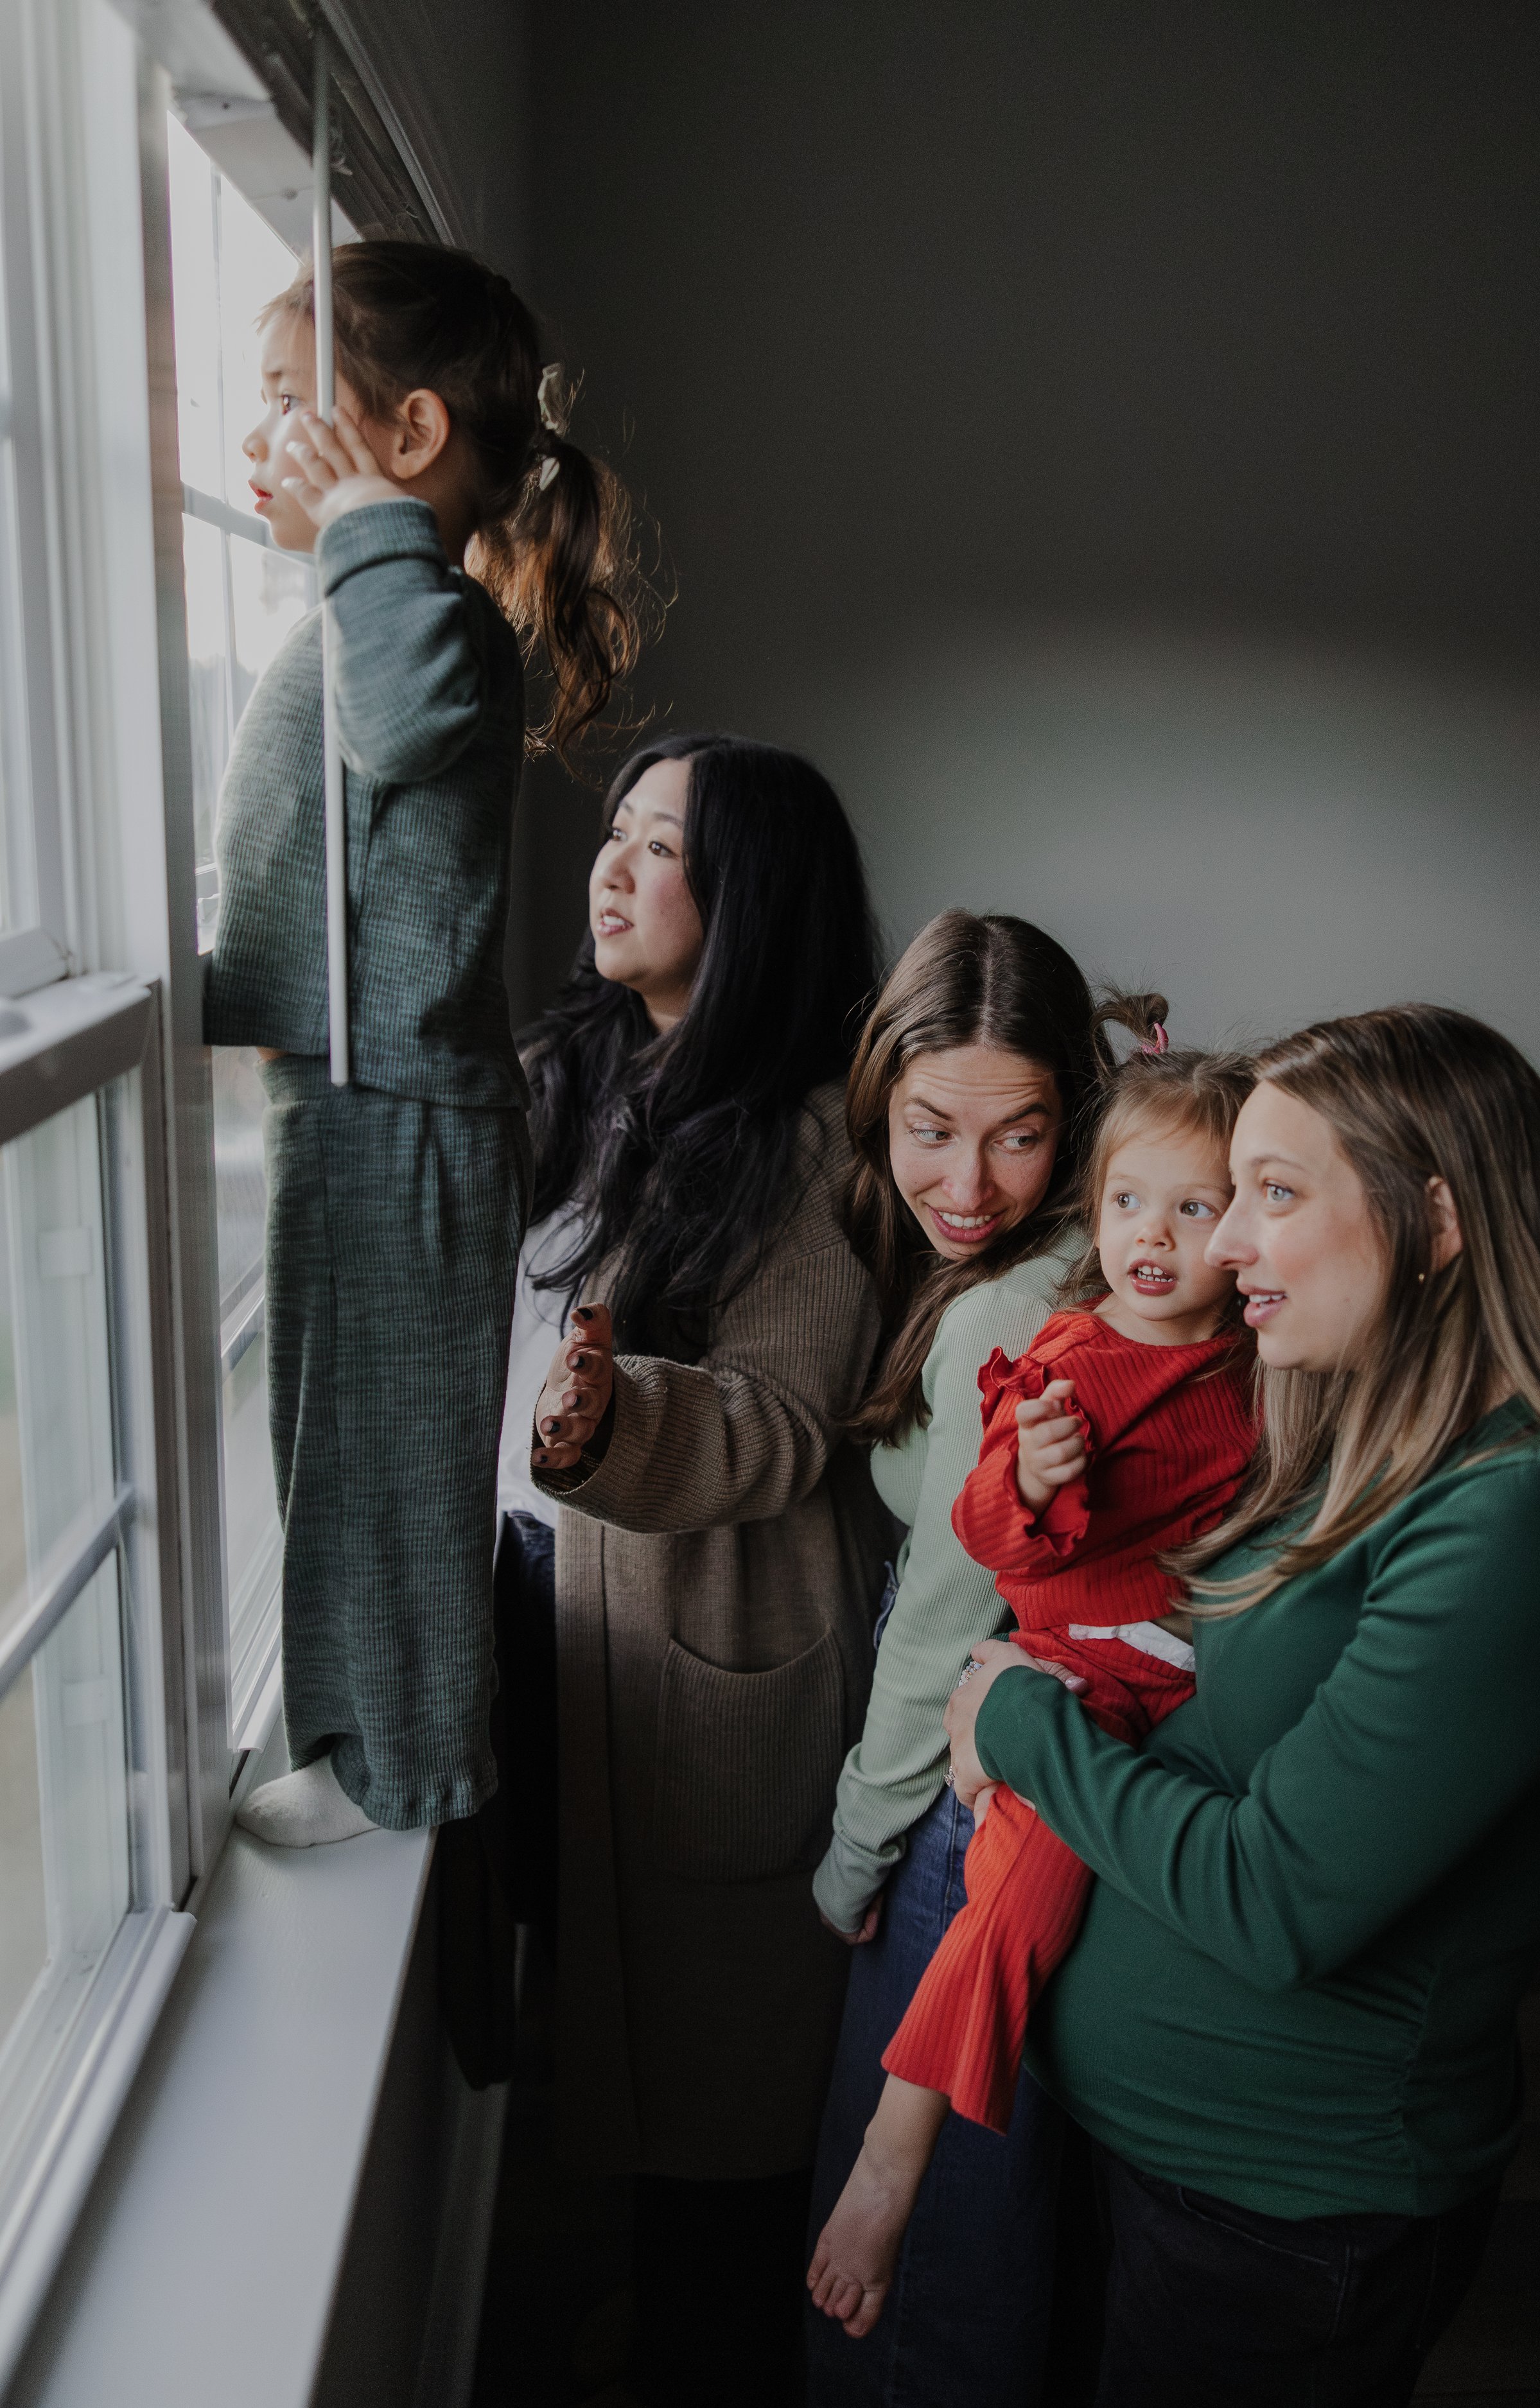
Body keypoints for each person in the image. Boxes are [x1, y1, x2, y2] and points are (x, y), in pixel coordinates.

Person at [945, 1003, 1540, 2407]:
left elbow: (1280, 1899)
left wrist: (1012, 1719)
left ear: (1435, 1223)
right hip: (1151, 2149)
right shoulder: (1359, 1434)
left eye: (1272, 1194)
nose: (1223, 1245)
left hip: (1281, 2209)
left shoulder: (1522, 1514)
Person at [207, 242, 645, 1845]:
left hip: (402, 1112)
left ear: (402, 440)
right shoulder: (372, 603)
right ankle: (354, 1733)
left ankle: (412, 1769)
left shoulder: (433, 621)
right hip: (351, 1096)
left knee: (392, 1468)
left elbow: (396, 724)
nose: (253, 442)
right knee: (332, 1448)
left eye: (281, 404)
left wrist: (361, 535)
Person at [502, 733, 886, 2406]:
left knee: (723, 2074)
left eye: (657, 846)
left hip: (714, 1651)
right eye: (614, 831)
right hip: (564, 1609)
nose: (609, 866)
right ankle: (676, 2328)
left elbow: (781, 1421)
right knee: (625, 2035)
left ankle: (714, 2354)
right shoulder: (583, 1065)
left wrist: (612, 1411)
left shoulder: (804, 1145)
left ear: (747, 902)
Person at [810, 1027, 1259, 2339]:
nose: (1154, 1237)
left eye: (1194, 1208)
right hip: (1086, 1673)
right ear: (1093, 1207)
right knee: (1014, 1894)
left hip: (1191, 1670)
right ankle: (895, 2151)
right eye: (1128, 1204)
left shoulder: (1247, 1354)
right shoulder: (1060, 1354)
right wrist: (1034, 1475)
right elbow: (987, 1539)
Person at [803, 911, 1112, 2408]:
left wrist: (859, 1842)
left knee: (911, 2264)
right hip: (1041, 1786)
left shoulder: (1006, 1305)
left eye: (1019, 1135)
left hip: (956, 1799)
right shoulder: (1080, 1254)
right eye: (930, 1131)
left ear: (1079, 1115)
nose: (966, 1185)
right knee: (983, 2221)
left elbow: (942, 1609)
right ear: (880, 1103)